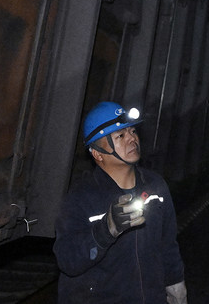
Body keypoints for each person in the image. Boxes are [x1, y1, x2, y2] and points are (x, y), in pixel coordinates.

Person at [54, 101, 188, 304]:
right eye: (120, 136)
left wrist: (175, 284)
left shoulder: (156, 187)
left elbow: (167, 244)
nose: (132, 139)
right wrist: (105, 231)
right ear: (97, 153)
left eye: (133, 131)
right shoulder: (81, 197)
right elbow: (67, 260)